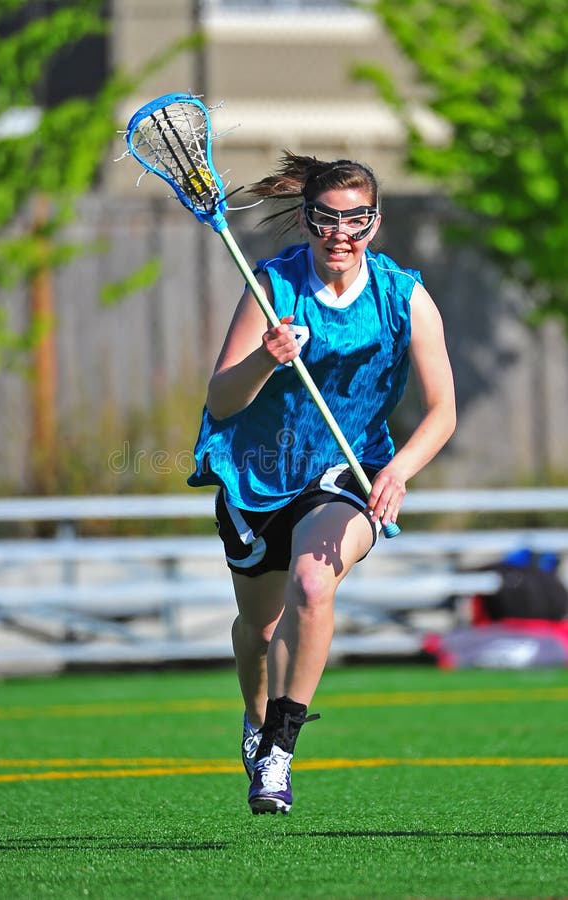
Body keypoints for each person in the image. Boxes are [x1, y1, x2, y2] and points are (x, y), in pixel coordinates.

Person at [187, 152, 457, 815]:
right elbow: (222, 400)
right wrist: (266, 358)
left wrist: (398, 470)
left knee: (314, 580)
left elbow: (443, 409)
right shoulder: (273, 286)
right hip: (258, 475)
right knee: (260, 627)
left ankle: (278, 750)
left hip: (348, 471)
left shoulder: (402, 295)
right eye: (326, 219)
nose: (341, 234)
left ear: (375, 221)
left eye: (356, 220)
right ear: (307, 219)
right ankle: (255, 720)